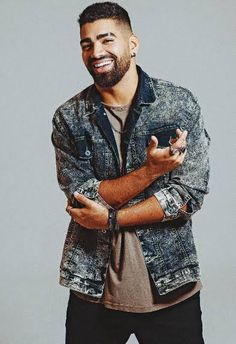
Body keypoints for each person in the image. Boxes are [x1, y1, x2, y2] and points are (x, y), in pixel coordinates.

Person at [51, 2, 210, 343]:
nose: (96, 52)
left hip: (171, 288)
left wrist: (110, 219)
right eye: (87, 43)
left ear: (132, 44)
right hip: (93, 293)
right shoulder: (69, 118)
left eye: (107, 40)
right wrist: (152, 171)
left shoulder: (178, 104)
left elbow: (187, 196)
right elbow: (83, 197)